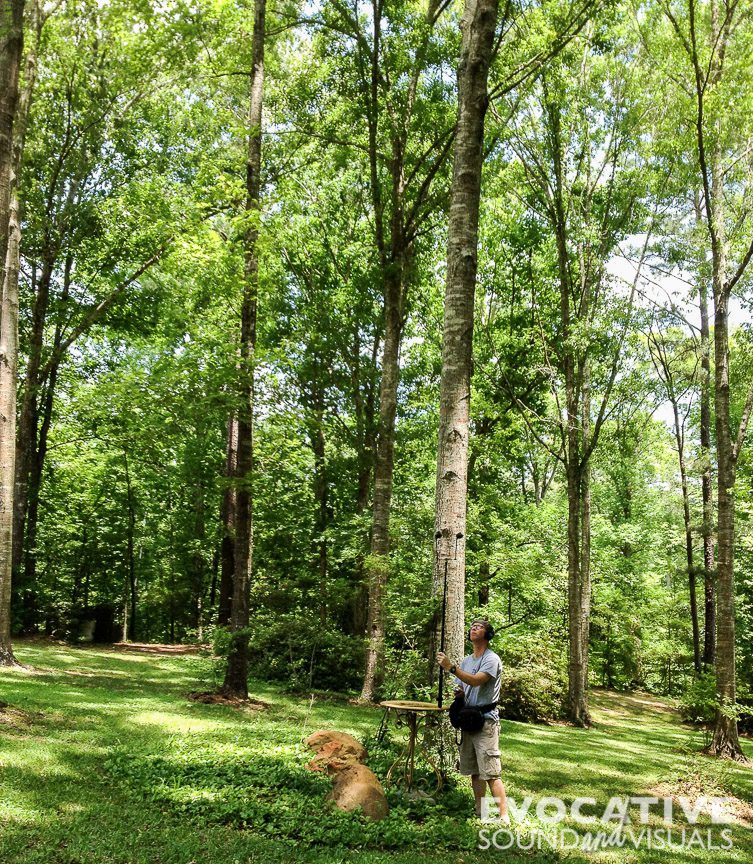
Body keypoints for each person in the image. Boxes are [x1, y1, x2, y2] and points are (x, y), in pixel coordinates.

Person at [437, 619, 508, 821]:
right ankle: (480, 812)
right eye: (472, 627)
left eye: (479, 627)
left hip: (486, 721)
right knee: (475, 771)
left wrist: (451, 667)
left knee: (491, 772)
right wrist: (458, 694)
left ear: (487, 635)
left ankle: (504, 817)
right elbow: (463, 685)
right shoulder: (467, 661)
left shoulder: (492, 659)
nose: (473, 629)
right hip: (469, 719)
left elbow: (477, 681)